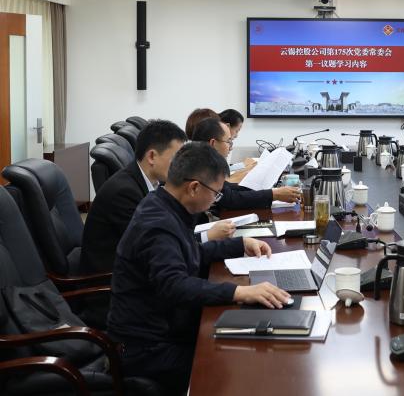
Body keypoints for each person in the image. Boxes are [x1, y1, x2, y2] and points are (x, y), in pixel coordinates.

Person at [107, 142, 292, 393]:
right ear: (194, 187)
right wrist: (239, 292)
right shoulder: (158, 225)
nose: (216, 199)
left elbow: (189, 253)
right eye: (216, 193)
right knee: (239, 368)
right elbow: (175, 286)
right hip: (149, 349)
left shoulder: (164, 204)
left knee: (248, 343)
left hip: (167, 329)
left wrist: (239, 245)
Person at [82, 120, 236, 274]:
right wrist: (207, 235)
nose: (181, 164)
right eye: (176, 158)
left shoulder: (153, 182)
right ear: (152, 157)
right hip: (110, 277)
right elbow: (155, 245)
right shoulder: (124, 193)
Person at [191, 118, 301, 210]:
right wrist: (273, 194)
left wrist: (267, 191)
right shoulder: (200, 168)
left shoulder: (201, 161)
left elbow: (227, 189)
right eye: (229, 141)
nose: (231, 147)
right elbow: (230, 199)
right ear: (213, 143)